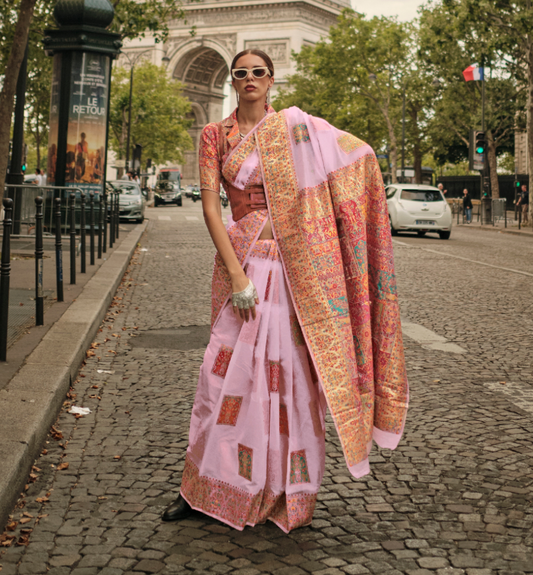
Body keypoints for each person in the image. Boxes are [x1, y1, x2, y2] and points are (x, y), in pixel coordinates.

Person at [162, 49, 408, 533]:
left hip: (295, 273)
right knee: (221, 382)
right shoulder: (214, 135)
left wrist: (367, 167)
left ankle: (280, 492)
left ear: (272, 80)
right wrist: (236, 276)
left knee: (290, 384)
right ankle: (201, 488)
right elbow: (212, 210)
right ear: (231, 81)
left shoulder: (299, 132)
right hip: (244, 266)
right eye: (240, 73)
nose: (249, 78)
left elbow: (356, 157)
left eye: (258, 72)